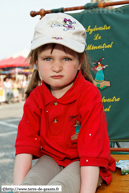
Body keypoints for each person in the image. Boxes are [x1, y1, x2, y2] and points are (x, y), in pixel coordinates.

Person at [13, 13, 116, 193]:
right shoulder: (35, 98)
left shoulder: (89, 95)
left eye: (66, 58)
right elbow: (24, 147)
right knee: (28, 188)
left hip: (85, 162)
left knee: (58, 188)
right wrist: (18, 189)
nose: (57, 67)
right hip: (51, 159)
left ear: (79, 62)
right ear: (36, 62)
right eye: (48, 58)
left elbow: (91, 155)